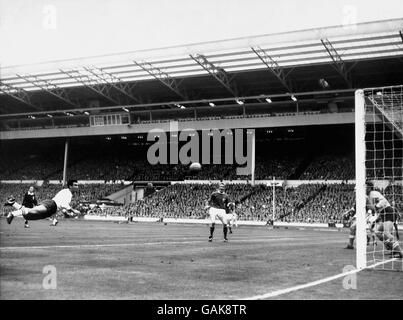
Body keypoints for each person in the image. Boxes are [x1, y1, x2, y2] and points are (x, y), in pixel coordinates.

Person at [4, 180, 80, 226]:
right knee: (31, 211)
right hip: (51, 205)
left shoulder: (68, 193)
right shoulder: (67, 192)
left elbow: (62, 205)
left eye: (77, 185)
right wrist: (73, 210)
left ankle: (13, 203)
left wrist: (66, 212)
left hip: (52, 210)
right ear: (70, 186)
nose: (77, 186)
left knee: (28, 216)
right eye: (75, 185)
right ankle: (12, 214)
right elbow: (63, 204)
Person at [366, 181, 402, 258]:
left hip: (388, 211)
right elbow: (376, 209)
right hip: (384, 214)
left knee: (386, 233)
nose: (364, 188)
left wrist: (376, 206)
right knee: (378, 232)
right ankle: (392, 249)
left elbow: (383, 201)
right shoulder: (369, 195)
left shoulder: (373, 193)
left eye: (365, 186)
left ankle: (400, 251)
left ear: (369, 187)